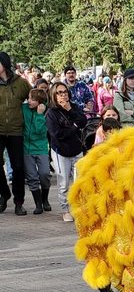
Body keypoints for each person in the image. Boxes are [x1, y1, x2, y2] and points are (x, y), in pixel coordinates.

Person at [46, 82, 86, 221]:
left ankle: (78, 208)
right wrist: (75, 127)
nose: (63, 94)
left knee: (79, 182)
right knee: (63, 183)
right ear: (53, 95)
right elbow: (57, 134)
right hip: (60, 151)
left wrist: (70, 110)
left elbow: (83, 121)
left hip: (76, 149)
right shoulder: (51, 113)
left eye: (65, 91)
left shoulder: (73, 107)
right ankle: (65, 210)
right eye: (59, 92)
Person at [0, 50, 29, 215]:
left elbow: (37, 95)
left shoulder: (20, 83)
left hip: (16, 130)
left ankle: (19, 202)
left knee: (18, 167)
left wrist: (39, 104)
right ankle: (4, 193)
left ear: (4, 64)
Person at [22, 85, 51, 214]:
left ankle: (45, 199)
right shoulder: (23, 109)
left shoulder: (45, 113)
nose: (29, 101)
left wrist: (40, 115)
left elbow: (40, 132)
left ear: (40, 102)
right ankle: (38, 204)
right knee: (32, 177)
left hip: (41, 148)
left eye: (32, 99)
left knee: (44, 174)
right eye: (29, 98)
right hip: (27, 148)